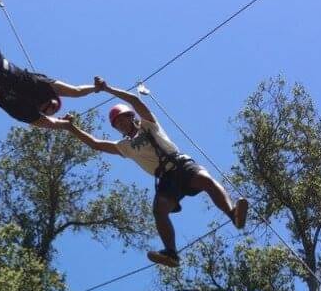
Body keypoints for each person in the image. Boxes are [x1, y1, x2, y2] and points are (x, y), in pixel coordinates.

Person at [62, 78, 249, 267]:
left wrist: (108, 89)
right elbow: (95, 144)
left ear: (131, 117)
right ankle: (171, 253)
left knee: (206, 180)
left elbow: (136, 101)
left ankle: (233, 214)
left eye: (122, 119)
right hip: (166, 179)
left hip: (181, 165)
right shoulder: (125, 146)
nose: (120, 124)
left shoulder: (148, 124)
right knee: (159, 211)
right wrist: (71, 128)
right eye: (116, 124)